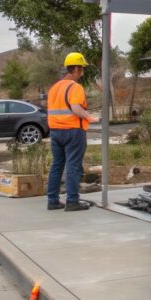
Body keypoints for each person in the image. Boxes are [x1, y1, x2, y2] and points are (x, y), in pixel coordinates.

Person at [45, 52, 99, 211]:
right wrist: (91, 118)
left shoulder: (54, 87)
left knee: (57, 165)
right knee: (73, 166)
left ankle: (52, 201)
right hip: (73, 131)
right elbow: (76, 109)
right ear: (75, 69)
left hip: (55, 132)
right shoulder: (75, 87)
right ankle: (72, 201)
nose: (82, 71)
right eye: (81, 68)